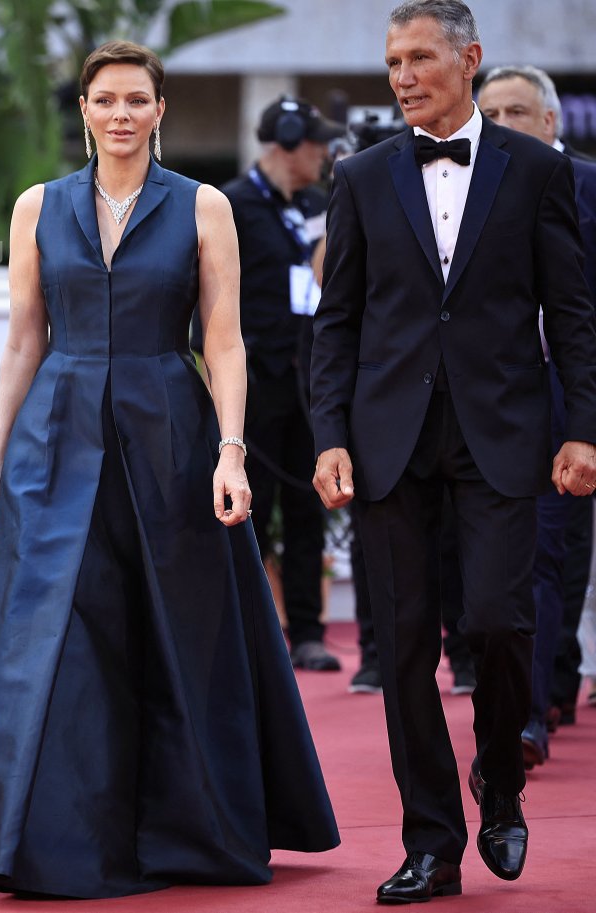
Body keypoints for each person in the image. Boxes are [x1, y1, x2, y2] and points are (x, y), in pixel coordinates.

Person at [0, 40, 339, 900]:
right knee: (55, 637)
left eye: (137, 99)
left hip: (170, 427)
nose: (121, 114)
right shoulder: (38, 207)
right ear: (86, 111)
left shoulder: (204, 206)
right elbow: (26, 337)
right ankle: (61, 841)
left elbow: (224, 338)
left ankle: (189, 833)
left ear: (160, 109)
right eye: (105, 100)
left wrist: (233, 450)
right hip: (55, 436)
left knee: (180, 629)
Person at [311, 0, 596, 902]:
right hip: (388, 439)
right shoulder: (357, 177)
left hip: (504, 434)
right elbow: (339, 322)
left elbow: (573, 314)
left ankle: (501, 785)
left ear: (468, 58)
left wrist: (584, 425)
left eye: (420, 58)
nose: (402, 76)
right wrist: (329, 437)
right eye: (393, 60)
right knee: (399, 649)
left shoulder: (538, 170)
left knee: (502, 625)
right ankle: (431, 842)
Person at [478, 64, 596, 769]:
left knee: (550, 551)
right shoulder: (468, 189)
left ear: (549, 121)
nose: (500, 124)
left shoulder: (588, 187)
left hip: (567, 392)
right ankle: (548, 679)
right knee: (503, 556)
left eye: (516, 111)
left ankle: (526, 714)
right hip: (489, 396)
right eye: (489, 112)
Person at [223, 95, 344, 673]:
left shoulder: (321, 205)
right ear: (287, 142)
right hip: (254, 381)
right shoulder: (232, 205)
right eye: (316, 143)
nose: (323, 153)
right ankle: (247, 632)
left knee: (307, 509)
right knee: (252, 508)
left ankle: (309, 634)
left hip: (312, 381)